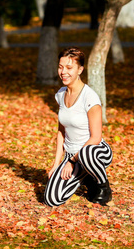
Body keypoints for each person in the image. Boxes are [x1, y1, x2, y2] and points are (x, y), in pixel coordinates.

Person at [44, 47, 113, 207]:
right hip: (72, 156)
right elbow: (61, 131)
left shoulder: (90, 98)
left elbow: (95, 138)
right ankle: (87, 177)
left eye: (69, 68)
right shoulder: (61, 94)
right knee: (51, 199)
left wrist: (73, 162)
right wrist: (57, 163)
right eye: (61, 67)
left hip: (94, 152)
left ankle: (102, 186)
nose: (63, 72)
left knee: (87, 154)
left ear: (80, 70)